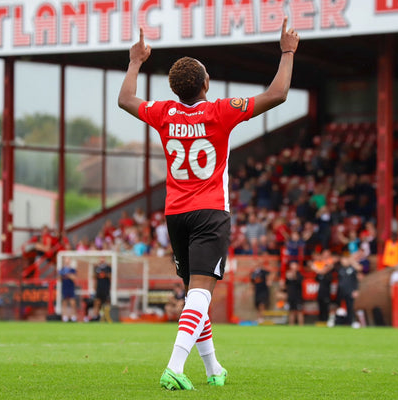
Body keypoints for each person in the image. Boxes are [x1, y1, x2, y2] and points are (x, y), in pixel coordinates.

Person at [118, 17, 299, 391]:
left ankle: (214, 368)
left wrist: (136, 61)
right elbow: (278, 94)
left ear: (175, 89)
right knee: (201, 292)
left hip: (175, 214)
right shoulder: (220, 111)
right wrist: (287, 51)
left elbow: (125, 100)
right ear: (205, 84)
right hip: (210, 211)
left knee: (195, 295)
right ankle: (174, 366)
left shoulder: (164, 113)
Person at [311, 249, 335, 324]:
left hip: (327, 289)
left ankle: (327, 320)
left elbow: (326, 270)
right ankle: (321, 320)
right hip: (321, 289)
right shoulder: (320, 264)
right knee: (320, 304)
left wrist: (323, 269)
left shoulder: (330, 263)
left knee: (326, 305)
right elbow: (318, 271)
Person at [91, 257, 112, 322]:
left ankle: (106, 316)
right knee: (97, 302)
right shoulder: (97, 268)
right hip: (99, 288)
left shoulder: (108, 268)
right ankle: (95, 316)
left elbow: (110, 276)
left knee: (106, 302)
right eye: (100, 258)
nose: (102, 260)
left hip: (106, 288)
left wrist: (104, 274)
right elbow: (93, 277)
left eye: (103, 258)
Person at [284, 261, 304, 326]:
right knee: (291, 311)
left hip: (298, 296)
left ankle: (301, 326)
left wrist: (293, 274)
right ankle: (291, 326)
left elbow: (299, 282)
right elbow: (286, 285)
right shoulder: (288, 276)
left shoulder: (299, 275)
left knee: (299, 311)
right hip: (291, 296)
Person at [59, 258, 78, 322]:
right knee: (64, 302)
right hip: (64, 287)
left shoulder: (72, 270)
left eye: (68, 260)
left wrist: (68, 274)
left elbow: (74, 278)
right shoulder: (62, 269)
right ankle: (65, 316)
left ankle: (73, 316)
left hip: (71, 287)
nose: (67, 261)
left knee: (72, 302)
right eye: (66, 260)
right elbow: (59, 278)